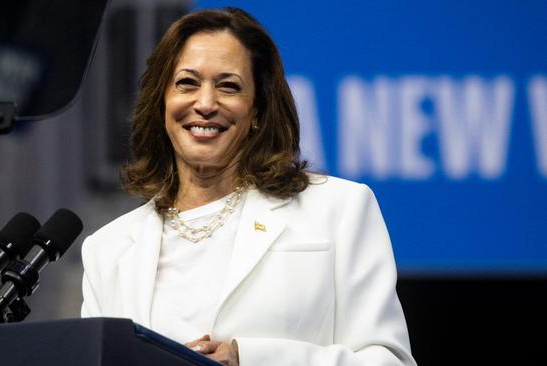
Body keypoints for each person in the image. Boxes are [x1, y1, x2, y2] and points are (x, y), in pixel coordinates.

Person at [81, 7, 416, 366]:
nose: (205, 104)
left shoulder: (340, 209)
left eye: (228, 86)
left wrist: (250, 359)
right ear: (162, 101)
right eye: (187, 83)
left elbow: (389, 361)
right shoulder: (108, 250)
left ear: (257, 110)